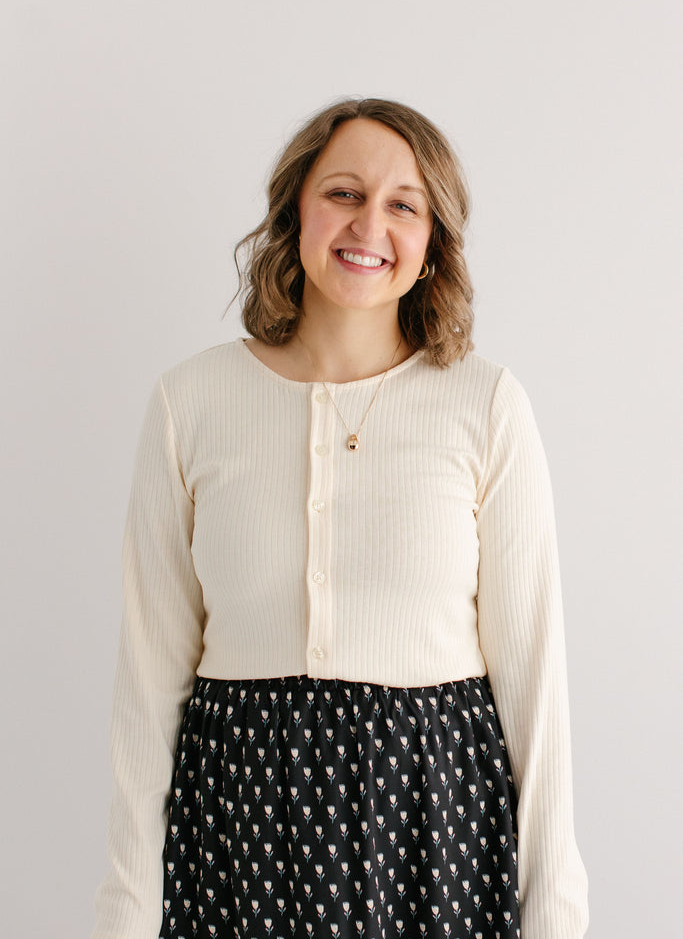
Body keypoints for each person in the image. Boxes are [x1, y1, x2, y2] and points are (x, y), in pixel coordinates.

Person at [92, 97, 589, 939]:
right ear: (296, 208)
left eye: (403, 205)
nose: (369, 225)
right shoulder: (191, 403)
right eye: (344, 193)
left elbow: (534, 687)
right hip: (237, 836)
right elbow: (148, 686)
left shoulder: (485, 406)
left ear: (433, 244)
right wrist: (127, 911)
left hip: (434, 834)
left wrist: (553, 914)